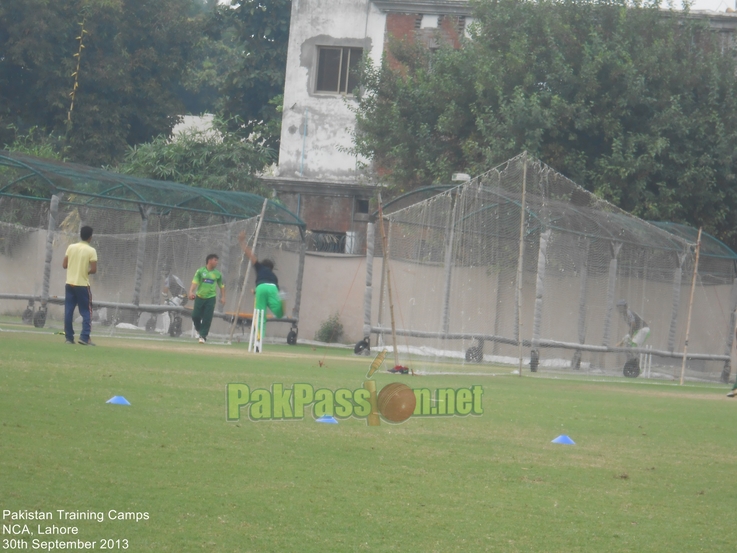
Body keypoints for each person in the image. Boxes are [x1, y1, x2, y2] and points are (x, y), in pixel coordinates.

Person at [238, 231, 286, 341]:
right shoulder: (274, 276)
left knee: (260, 313)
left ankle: (259, 336)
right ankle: (281, 306)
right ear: (271, 268)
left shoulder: (259, 267)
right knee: (278, 311)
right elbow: (273, 291)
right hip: (273, 288)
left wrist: (242, 242)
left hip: (260, 288)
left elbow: (250, 255)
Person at [63, 225, 98, 346]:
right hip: (82, 285)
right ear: (90, 237)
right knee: (86, 311)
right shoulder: (91, 250)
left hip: (69, 283)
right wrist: (85, 271)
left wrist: (74, 267)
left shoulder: (71, 247)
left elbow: (64, 265)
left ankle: (68, 338)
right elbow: (93, 270)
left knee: (68, 311)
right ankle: (84, 337)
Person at [188, 254, 225, 343]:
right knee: (195, 316)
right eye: (215, 260)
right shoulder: (200, 271)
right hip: (200, 297)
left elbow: (222, 286)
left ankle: (203, 336)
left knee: (207, 318)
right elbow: (195, 282)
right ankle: (199, 330)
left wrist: (223, 297)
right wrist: (191, 292)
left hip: (211, 298)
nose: (217, 262)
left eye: (217, 260)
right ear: (209, 261)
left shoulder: (217, 274)